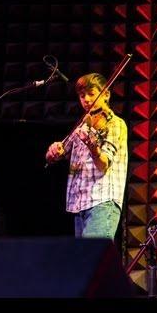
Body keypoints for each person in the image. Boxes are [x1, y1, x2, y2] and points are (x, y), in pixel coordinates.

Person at [45, 73, 128, 240]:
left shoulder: (114, 124)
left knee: (94, 260)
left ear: (106, 94)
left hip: (102, 202)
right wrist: (53, 151)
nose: (86, 100)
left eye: (91, 94)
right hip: (79, 205)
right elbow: (57, 154)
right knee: (86, 262)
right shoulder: (82, 127)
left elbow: (103, 164)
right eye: (82, 96)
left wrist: (92, 147)